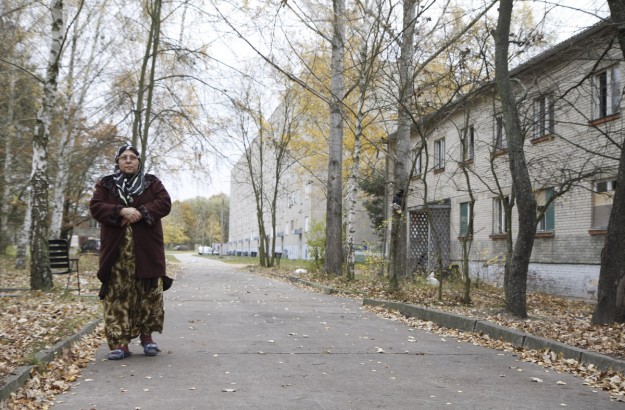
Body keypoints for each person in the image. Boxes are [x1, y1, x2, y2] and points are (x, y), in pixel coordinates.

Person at [90, 144, 173, 360]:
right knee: (117, 296)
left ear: (138, 161)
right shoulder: (106, 184)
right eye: (124, 157)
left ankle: (147, 339)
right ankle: (120, 344)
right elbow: (96, 206)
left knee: (147, 294)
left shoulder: (151, 182)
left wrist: (141, 212)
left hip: (147, 251)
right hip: (116, 253)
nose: (128, 161)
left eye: (133, 157)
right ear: (117, 162)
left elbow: (164, 203)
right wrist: (120, 211)